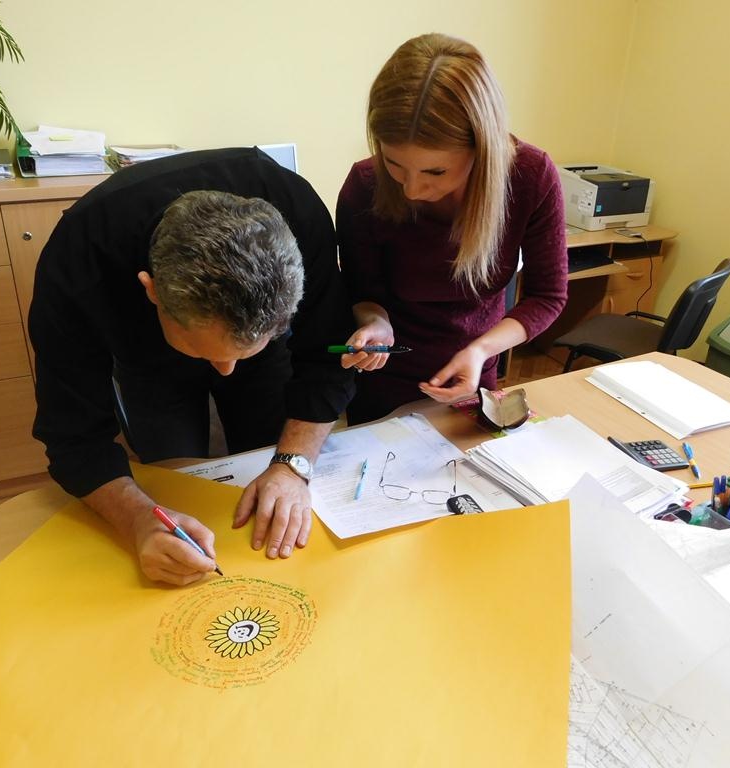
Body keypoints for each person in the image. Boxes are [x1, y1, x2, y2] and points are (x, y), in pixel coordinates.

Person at [30, 148, 355, 586]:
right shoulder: (79, 261)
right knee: (173, 479)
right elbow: (74, 436)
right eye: (206, 351)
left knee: (269, 468)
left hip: (265, 356)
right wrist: (139, 520)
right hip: (149, 363)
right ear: (151, 291)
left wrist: (291, 465)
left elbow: (328, 354)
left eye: (241, 351)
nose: (226, 370)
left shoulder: (296, 210)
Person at [336, 33, 569, 424]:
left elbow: (548, 296)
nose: (411, 190)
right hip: (385, 380)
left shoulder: (529, 177)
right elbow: (361, 291)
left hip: (475, 375)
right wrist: (375, 322)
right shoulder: (365, 185)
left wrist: (480, 350)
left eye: (435, 171)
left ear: (482, 149)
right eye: (394, 164)